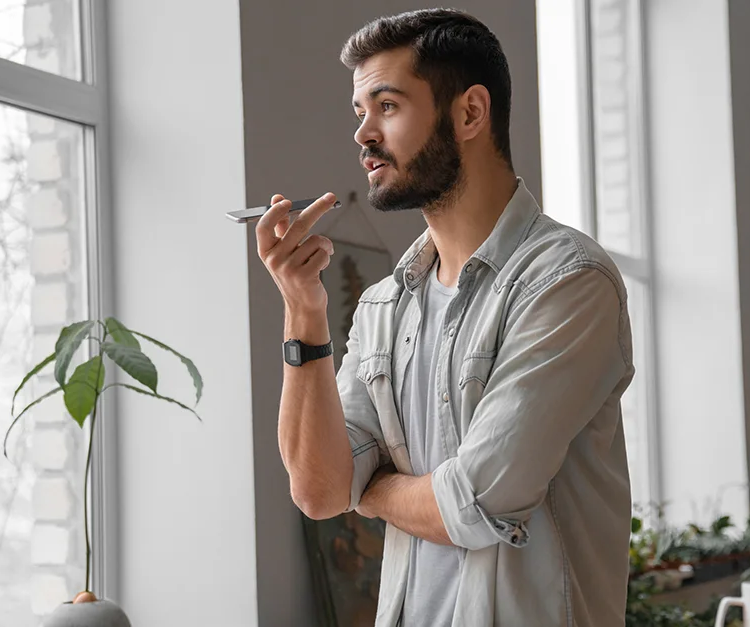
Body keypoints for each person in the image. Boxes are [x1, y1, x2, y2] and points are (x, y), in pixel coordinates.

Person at [256, 8, 634, 626]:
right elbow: (320, 491)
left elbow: (476, 502)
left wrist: (371, 489)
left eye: (387, 105)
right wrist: (303, 307)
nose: (363, 134)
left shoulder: (566, 282)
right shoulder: (385, 305)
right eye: (360, 112)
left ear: (469, 113)